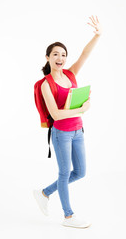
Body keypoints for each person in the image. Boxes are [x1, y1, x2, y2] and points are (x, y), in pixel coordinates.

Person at [33, 15, 102, 228]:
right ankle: (68, 217)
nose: (60, 57)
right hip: (61, 133)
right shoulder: (46, 84)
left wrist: (98, 35)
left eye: (63, 54)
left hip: (78, 131)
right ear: (47, 57)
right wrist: (82, 109)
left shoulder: (71, 74)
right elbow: (55, 114)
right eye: (55, 54)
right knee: (64, 173)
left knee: (80, 172)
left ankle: (44, 193)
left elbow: (84, 54)